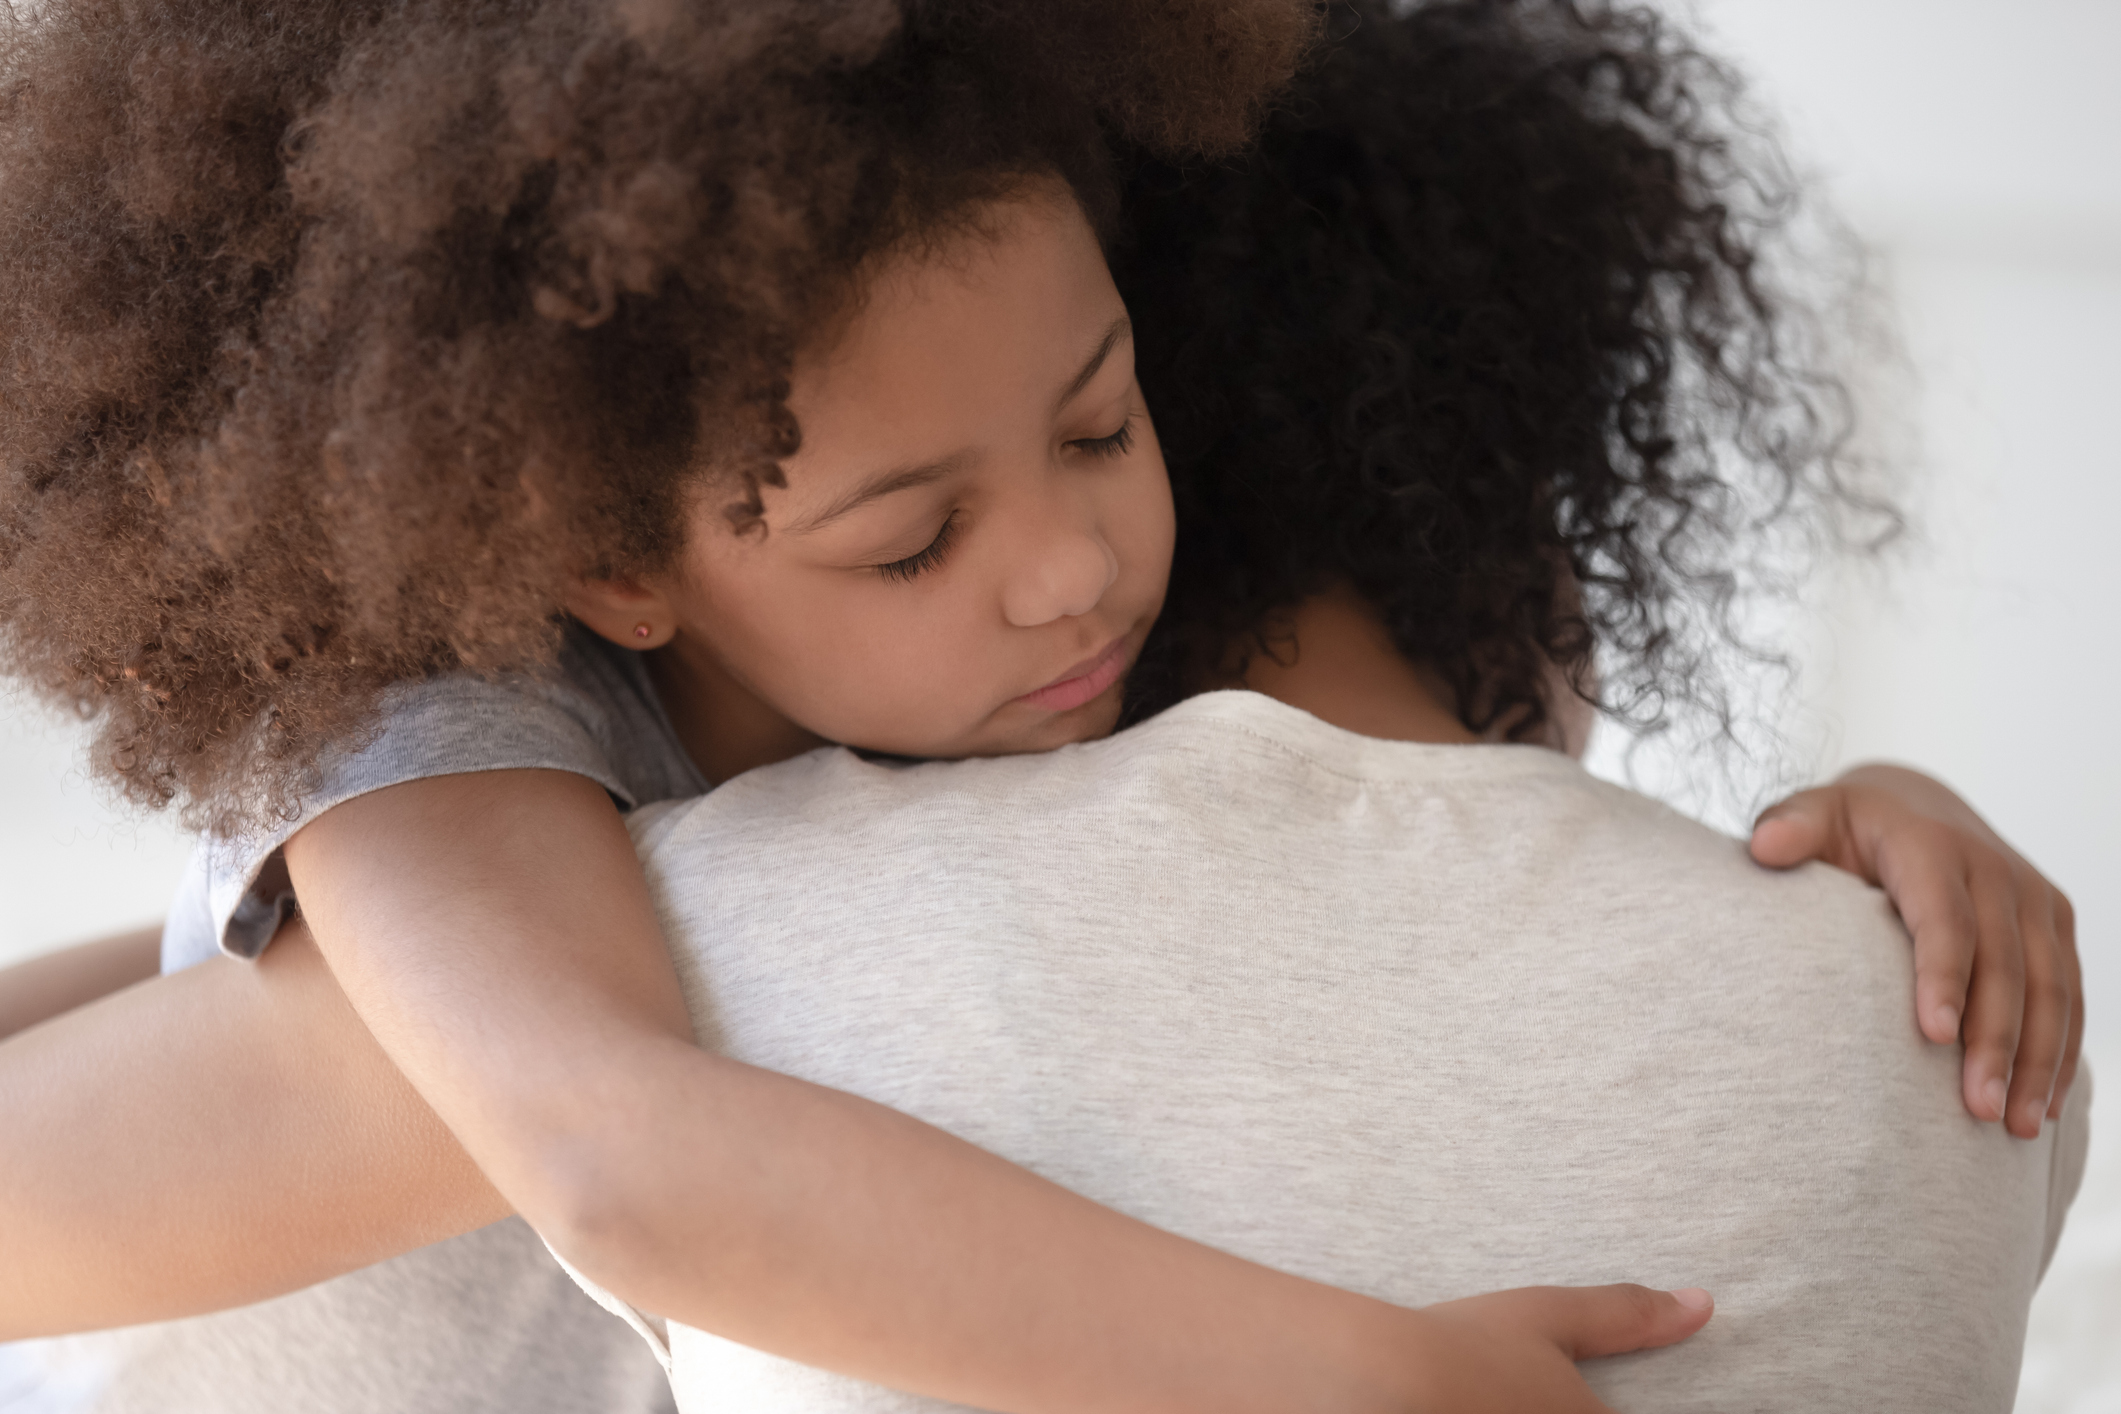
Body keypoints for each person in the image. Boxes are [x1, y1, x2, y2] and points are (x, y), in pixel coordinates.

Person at [0, 0, 2083, 1410]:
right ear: (610, 568)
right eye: (910, 540)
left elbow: (1469, 834)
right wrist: (1349, 1372)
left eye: (1100, 421)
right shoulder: (434, 746)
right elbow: (618, 1161)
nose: (1068, 567)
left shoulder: (968, 691)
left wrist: (1869, 803)